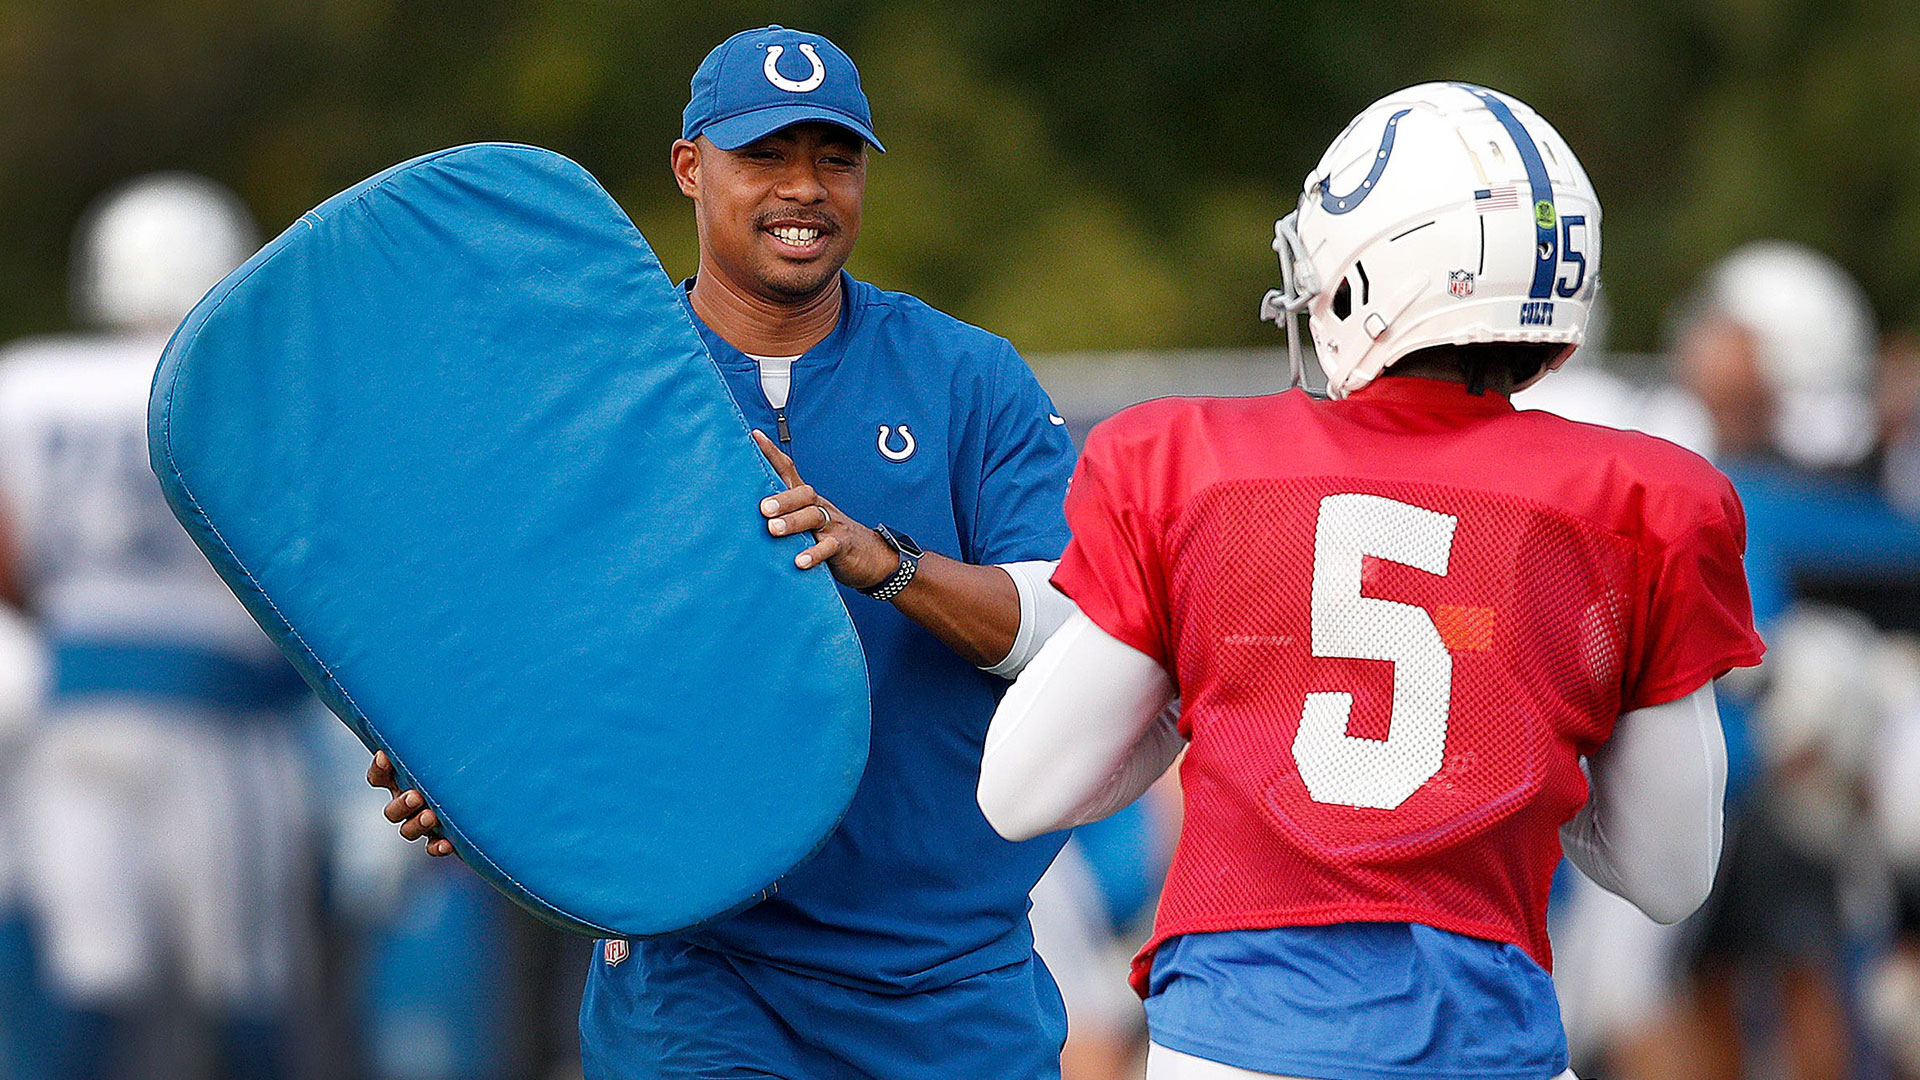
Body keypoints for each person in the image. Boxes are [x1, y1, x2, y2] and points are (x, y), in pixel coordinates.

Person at [976, 83, 1765, 1080]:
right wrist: (1525, 737)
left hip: (1238, 1046)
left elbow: (1016, 793)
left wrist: (1201, 676)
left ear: (1370, 278)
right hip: (1490, 1046)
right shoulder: (1641, 501)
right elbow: (1669, 875)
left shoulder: (1192, 466)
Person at [371, 24, 1082, 1080]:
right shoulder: (594, 389)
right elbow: (514, 645)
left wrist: (884, 560)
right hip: (699, 970)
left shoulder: (966, 375)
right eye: (764, 157)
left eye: (833, 160)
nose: (804, 189)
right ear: (690, 168)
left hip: (949, 973)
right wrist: (461, 768)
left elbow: (1074, 623)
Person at [0, 173, 317, 1079]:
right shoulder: (254, 384)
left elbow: (8, 554)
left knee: (87, 980)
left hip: (75, 713)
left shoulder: (26, 381)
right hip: (224, 716)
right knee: (246, 989)